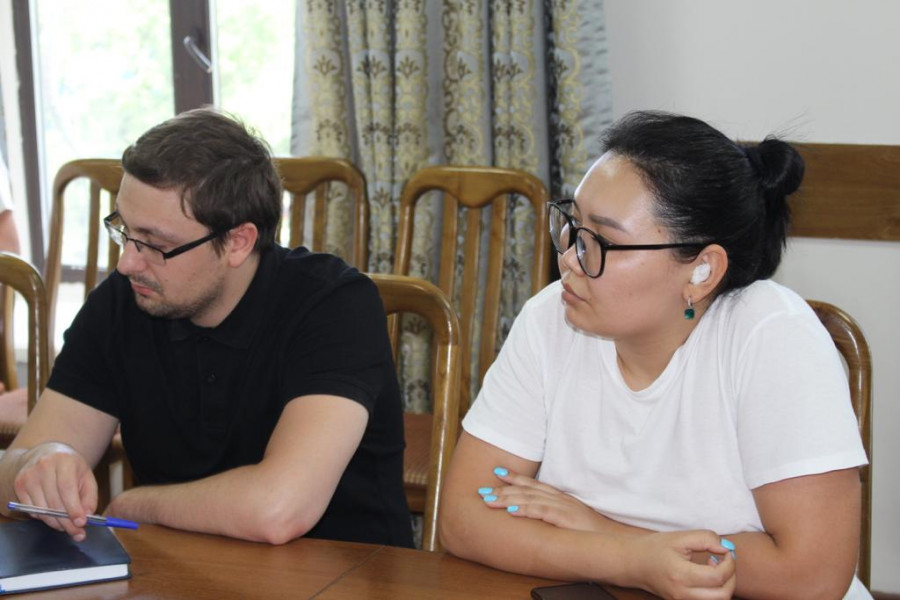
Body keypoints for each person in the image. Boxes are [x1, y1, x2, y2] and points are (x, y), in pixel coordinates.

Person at [439, 111, 870, 599]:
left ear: (701, 271)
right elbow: (462, 518)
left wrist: (604, 530)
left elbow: (813, 574)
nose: (568, 259)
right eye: (571, 224)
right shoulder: (550, 318)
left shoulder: (772, 334)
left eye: (602, 241)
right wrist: (632, 561)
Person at [0, 108, 414, 548]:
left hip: (346, 569)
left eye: (155, 244)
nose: (127, 263)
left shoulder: (334, 306)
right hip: (183, 567)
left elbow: (278, 509)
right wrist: (37, 463)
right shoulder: (124, 302)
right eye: (124, 230)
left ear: (238, 242)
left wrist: (134, 505)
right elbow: (12, 471)